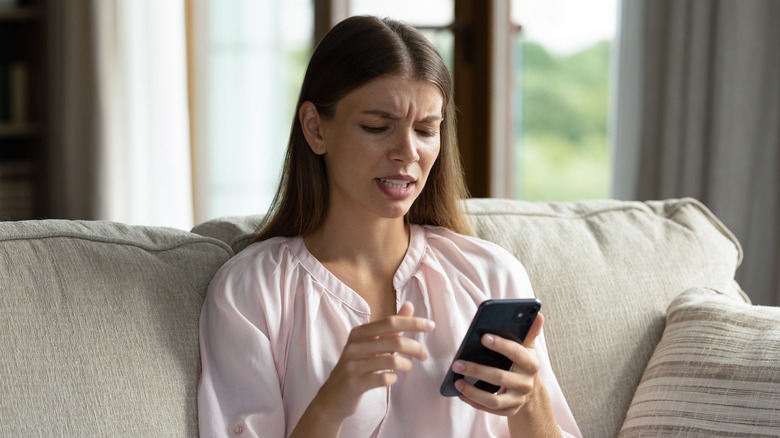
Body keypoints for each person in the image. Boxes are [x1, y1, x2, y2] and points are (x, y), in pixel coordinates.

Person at [198, 15, 581, 438]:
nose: (407, 152)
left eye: (425, 130)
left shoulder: (490, 274)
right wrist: (332, 400)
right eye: (377, 127)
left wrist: (530, 403)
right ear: (315, 128)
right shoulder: (251, 291)